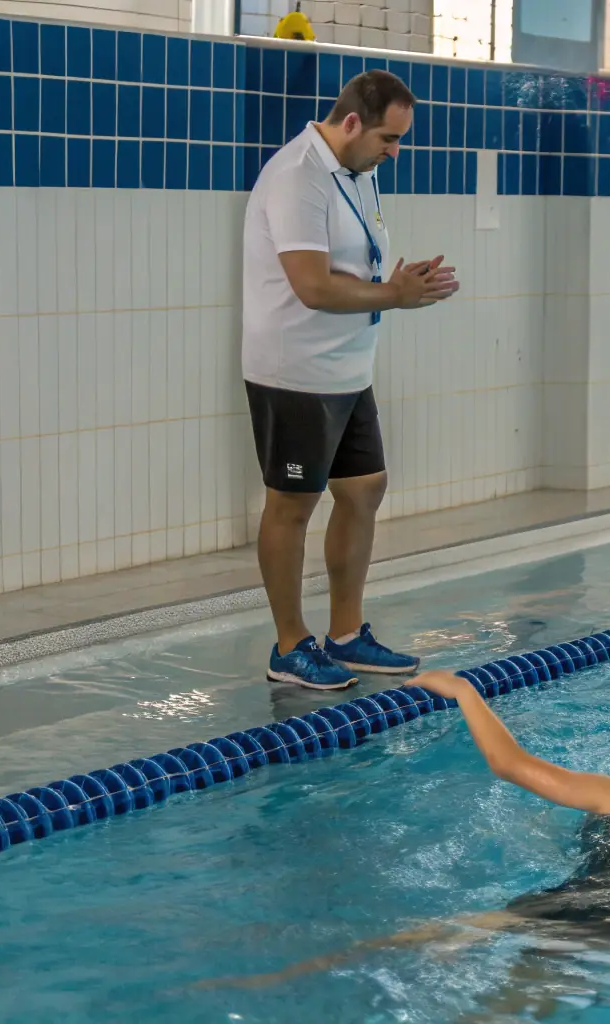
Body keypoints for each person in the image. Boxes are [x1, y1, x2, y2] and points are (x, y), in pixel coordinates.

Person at [204, 670, 610, 990]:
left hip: (582, 900)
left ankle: (263, 980)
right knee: (523, 999)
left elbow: (510, 765)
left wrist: (466, 693)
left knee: (407, 941)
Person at [242, 70, 460, 689]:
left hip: (346, 366)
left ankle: (345, 634)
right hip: (295, 370)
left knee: (364, 489)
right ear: (353, 123)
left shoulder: (356, 174)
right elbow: (310, 285)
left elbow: (348, 265)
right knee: (292, 505)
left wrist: (397, 280)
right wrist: (395, 293)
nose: (395, 152)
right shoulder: (297, 177)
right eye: (390, 139)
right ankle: (289, 646)